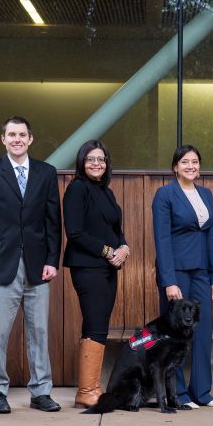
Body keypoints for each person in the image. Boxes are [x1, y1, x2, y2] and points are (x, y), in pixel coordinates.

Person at [0, 116, 62, 414]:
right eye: (12, 134)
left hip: (38, 266)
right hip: (1, 263)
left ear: (30, 139)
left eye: (22, 134)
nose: (17, 139)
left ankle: (41, 392)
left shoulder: (46, 173)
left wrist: (52, 260)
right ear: (3, 139)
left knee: (39, 332)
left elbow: (53, 222)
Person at [152, 145, 213, 409]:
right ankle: (178, 394)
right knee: (175, 332)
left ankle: (202, 392)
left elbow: (211, 236)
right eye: (185, 162)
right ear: (175, 167)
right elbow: (162, 239)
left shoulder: (205, 193)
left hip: (202, 271)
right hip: (177, 271)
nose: (191, 166)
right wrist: (169, 280)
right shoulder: (165, 194)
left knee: (203, 330)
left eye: (195, 161)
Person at [63, 140, 129, 409]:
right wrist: (107, 251)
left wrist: (123, 247)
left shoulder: (106, 192)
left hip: (108, 267)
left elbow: (115, 228)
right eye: (90, 159)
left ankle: (90, 389)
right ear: (81, 162)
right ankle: (87, 390)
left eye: (101, 159)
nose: (96, 163)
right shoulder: (77, 189)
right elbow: (75, 232)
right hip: (88, 267)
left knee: (99, 323)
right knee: (95, 323)